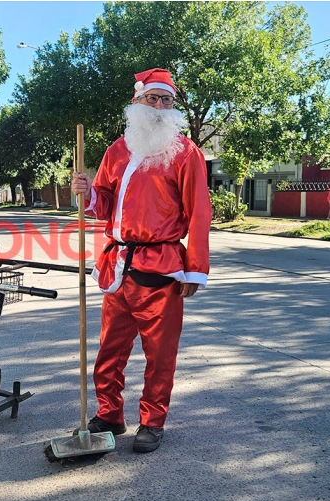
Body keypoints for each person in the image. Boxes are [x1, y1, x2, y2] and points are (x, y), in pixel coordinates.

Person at [70, 68, 211, 453]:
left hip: (162, 268)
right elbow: (101, 204)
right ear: (137, 103)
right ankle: (110, 414)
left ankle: (152, 421)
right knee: (109, 350)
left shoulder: (186, 153)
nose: (160, 107)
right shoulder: (118, 150)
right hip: (118, 268)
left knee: (159, 355)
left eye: (167, 100)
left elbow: (199, 212)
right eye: (153, 99)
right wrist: (85, 193)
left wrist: (195, 269)